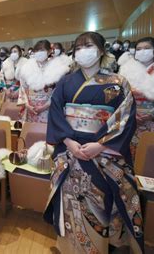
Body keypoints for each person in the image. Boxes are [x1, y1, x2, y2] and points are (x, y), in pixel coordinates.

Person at [44, 31, 144, 254]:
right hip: (70, 152)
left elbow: (125, 119)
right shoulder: (65, 82)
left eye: (87, 46)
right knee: (71, 204)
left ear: (100, 50)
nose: (82, 51)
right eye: (77, 48)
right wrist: (68, 142)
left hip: (104, 153)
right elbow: (56, 113)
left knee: (105, 202)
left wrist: (101, 145)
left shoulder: (118, 83)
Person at [18, 40, 72, 123]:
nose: (39, 53)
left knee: (46, 131)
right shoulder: (27, 67)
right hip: (31, 107)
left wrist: (45, 106)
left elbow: (58, 91)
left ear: (49, 51)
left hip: (48, 107)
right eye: (37, 50)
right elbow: (23, 88)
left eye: (42, 50)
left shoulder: (56, 68)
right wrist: (27, 104)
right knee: (31, 132)